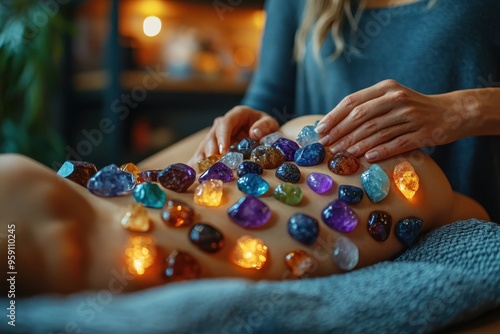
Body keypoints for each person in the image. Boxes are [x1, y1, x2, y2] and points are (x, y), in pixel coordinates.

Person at [0, 115, 489, 297]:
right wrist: (243, 122)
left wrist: (466, 108)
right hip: (267, 149)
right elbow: (264, 103)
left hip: (325, 160)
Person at [189, 0, 500, 222]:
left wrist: (464, 109)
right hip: (324, 216)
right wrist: (252, 125)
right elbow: (269, 98)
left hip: (466, 219)